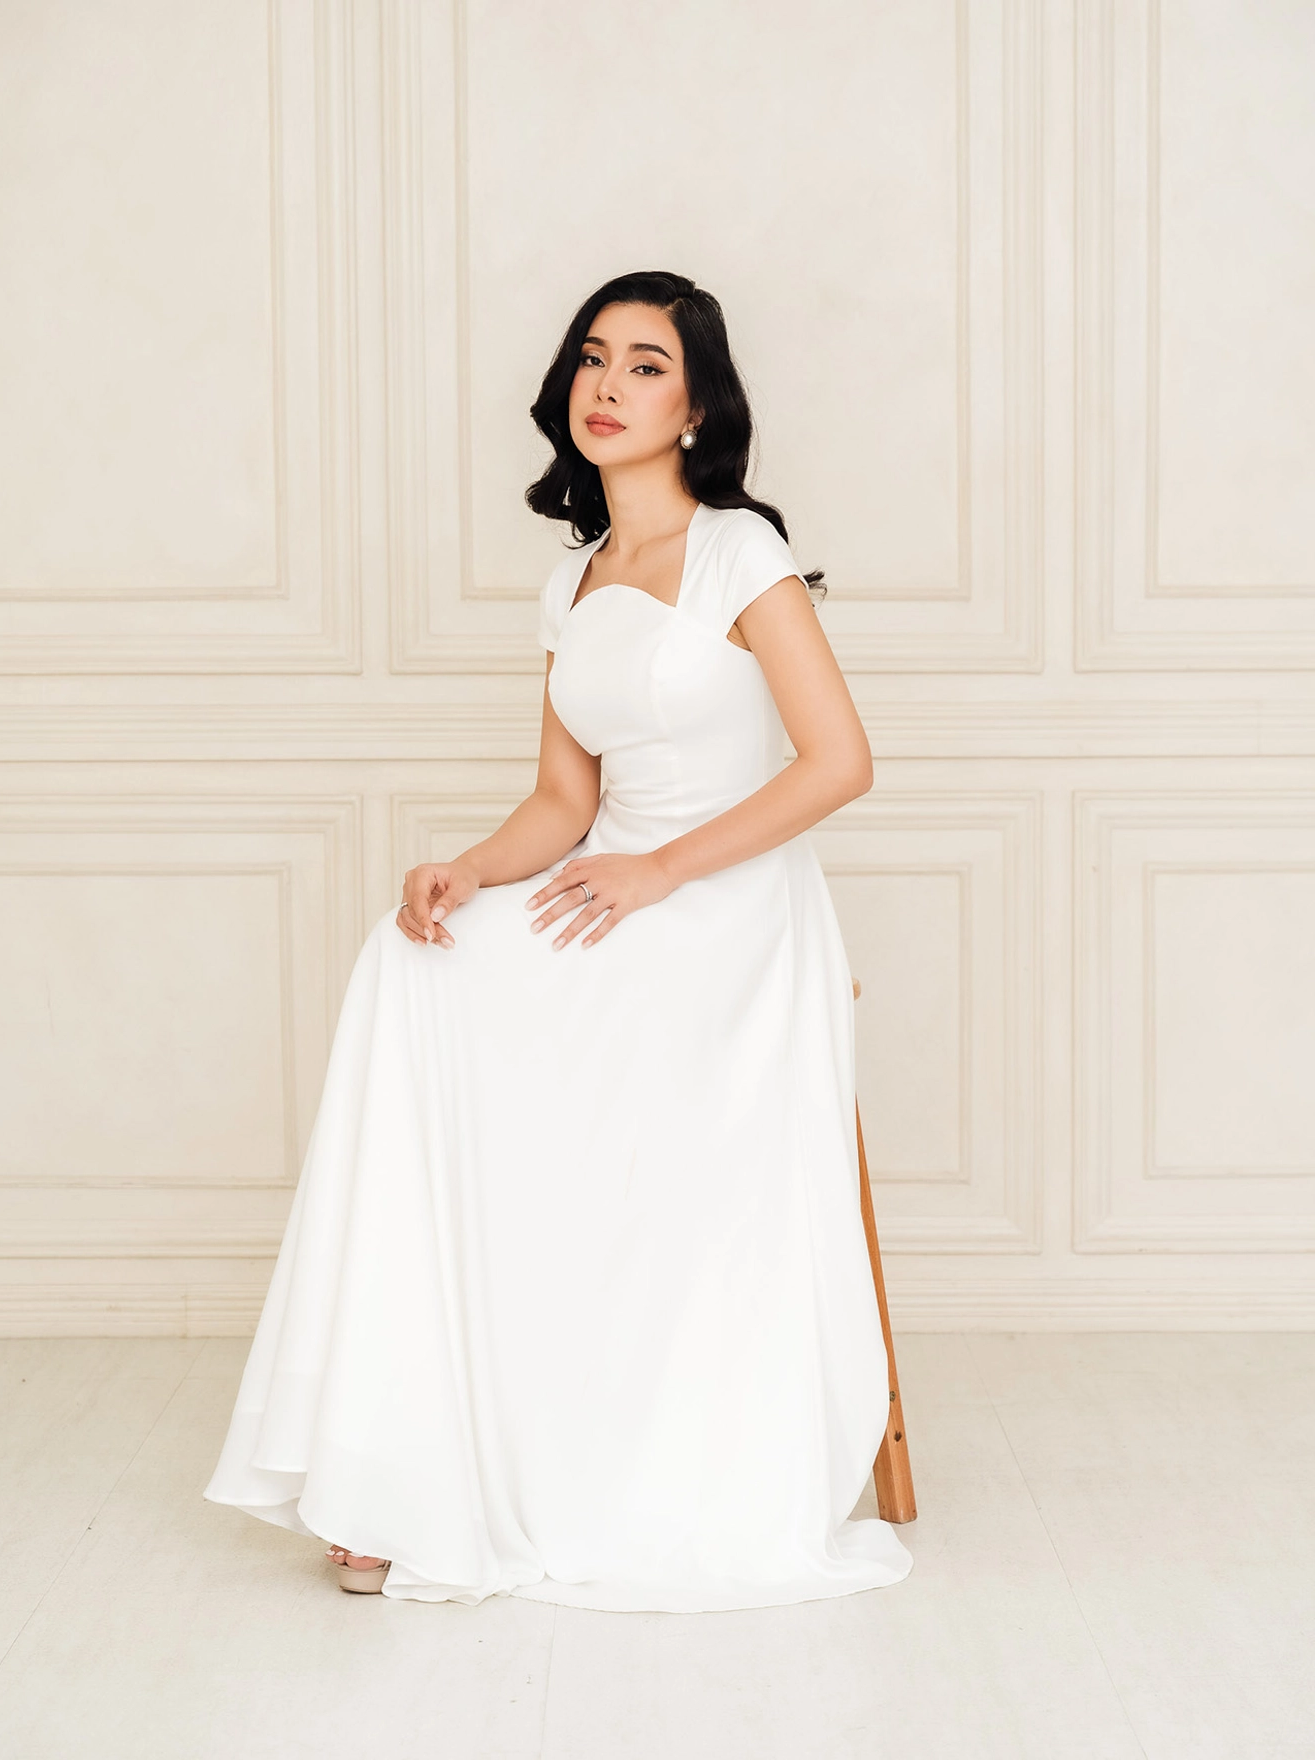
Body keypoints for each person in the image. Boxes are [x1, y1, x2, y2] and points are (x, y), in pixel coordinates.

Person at [204, 269, 914, 1611]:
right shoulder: (572, 582)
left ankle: (527, 1451)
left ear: (696, 406)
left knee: (525, 1031)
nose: (608, 385)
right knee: (411, 962)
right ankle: (411, 1462)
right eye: (594, 357)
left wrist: (662, 872)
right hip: (610, 881)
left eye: (647, 365)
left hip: (730, 903)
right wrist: (466, 871)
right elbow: (560, 803)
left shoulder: (741, 555)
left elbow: (839, 763)